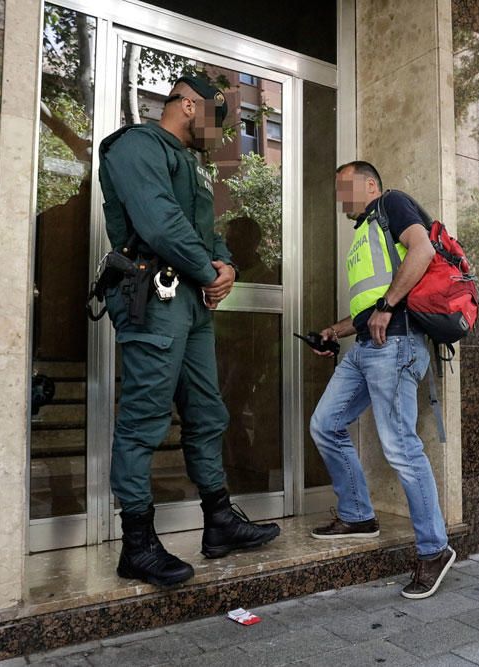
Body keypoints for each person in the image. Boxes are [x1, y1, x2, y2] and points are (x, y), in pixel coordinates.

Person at [99, 75, 279, 586]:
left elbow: (207, 230)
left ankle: (219, 521)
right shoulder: (136, 145)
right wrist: (208, 270)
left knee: (208, 411)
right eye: (213, 120)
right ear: (187, 104)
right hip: (154, 298)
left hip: (191, 304)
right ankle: (137, 545)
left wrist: (225, 265)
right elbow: (158, 223)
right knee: (144, 420)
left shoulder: (192, 168)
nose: (217, 133)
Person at [307, 161, 456, 600]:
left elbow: (423, 252)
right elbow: (370, 308)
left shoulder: (392, 203)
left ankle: (435, 549)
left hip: (399, 344)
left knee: (400, 447)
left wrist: (389, 305)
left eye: (345, 188)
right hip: (369, 348)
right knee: (325, 424)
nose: (340, 198)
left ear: (369, 184)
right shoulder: (363, 234)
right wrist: (335, 331)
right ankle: (357, 513)